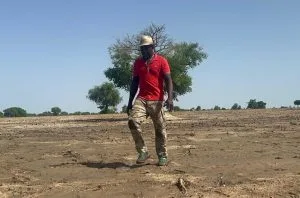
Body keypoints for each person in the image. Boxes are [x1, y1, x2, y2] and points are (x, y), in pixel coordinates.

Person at [127, 35, 173, 166]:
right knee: (132, 121)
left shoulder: (162, 61)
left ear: (152, 47)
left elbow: (168, 80)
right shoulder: (137, 63)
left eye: (146, 48)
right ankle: (143, 152)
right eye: (142, 49)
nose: (143, 51)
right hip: (141, 99)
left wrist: (170, 98)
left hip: (157, 100)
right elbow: (134, 83)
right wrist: (130, 102)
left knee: (160, 129)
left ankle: (162, 156)